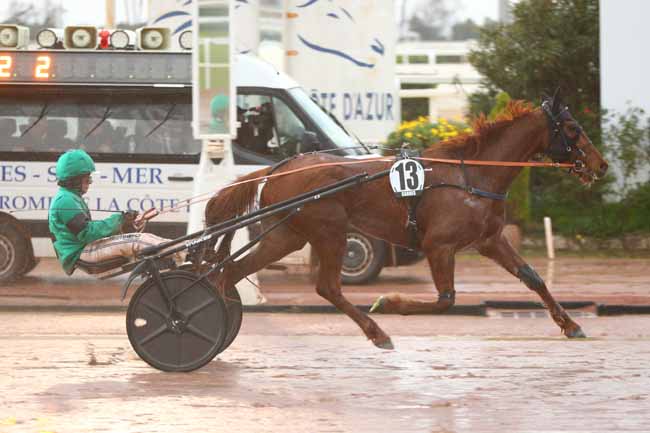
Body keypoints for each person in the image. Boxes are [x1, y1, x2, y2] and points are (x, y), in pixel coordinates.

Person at [48, 149, 181, 275]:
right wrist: (120, 219)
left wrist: (125, 224)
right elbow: (88, 233)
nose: (90, 182)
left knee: (142, 238)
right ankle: (183, 253)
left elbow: (88, 229)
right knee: (138, 241)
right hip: (81, 252)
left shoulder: (70, 197)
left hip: (84, 248)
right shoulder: (65, 200)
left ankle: (180, 251)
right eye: (87, 179)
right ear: (74, 180)